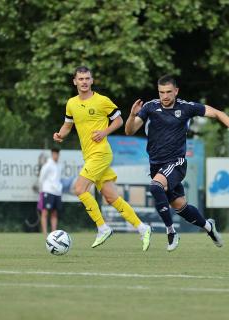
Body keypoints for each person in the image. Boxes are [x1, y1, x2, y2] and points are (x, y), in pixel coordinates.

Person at [125, 75, 229, 251]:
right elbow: (130, 130)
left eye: (168, 92)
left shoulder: (186, 108)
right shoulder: (150, 107)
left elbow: (218, 113)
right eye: (161, 92)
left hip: (176, 162)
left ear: (176, 91)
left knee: (156, 186)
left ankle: (171, 232)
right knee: (180, 206)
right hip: (156, 165)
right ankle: (209, 227)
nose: (164, 96)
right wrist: (132, 115)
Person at [53, 66, 152, 251]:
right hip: (89, 156)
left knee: (79, 188)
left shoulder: (102, 101)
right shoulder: (71, 103)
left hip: (101, 153)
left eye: (87, 78)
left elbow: (119, 120)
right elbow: (68, 125)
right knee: (111, 196)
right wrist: (60, 135)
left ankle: (102, 227)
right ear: (74, 81)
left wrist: (104, 132)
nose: (84, 82)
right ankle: (142, 228)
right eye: (80, 79)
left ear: (92, 81)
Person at [38, 148, 63, 237]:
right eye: (54, 154)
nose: (56, 156)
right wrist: (42, 190)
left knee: (54, 213)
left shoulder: (59, 165)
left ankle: (53, 233)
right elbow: (41, 178)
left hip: (57, 192)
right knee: (45, 212)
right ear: (52, 154)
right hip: (48, 191)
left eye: (57, 154)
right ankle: (45, 233)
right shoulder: (48, 165)